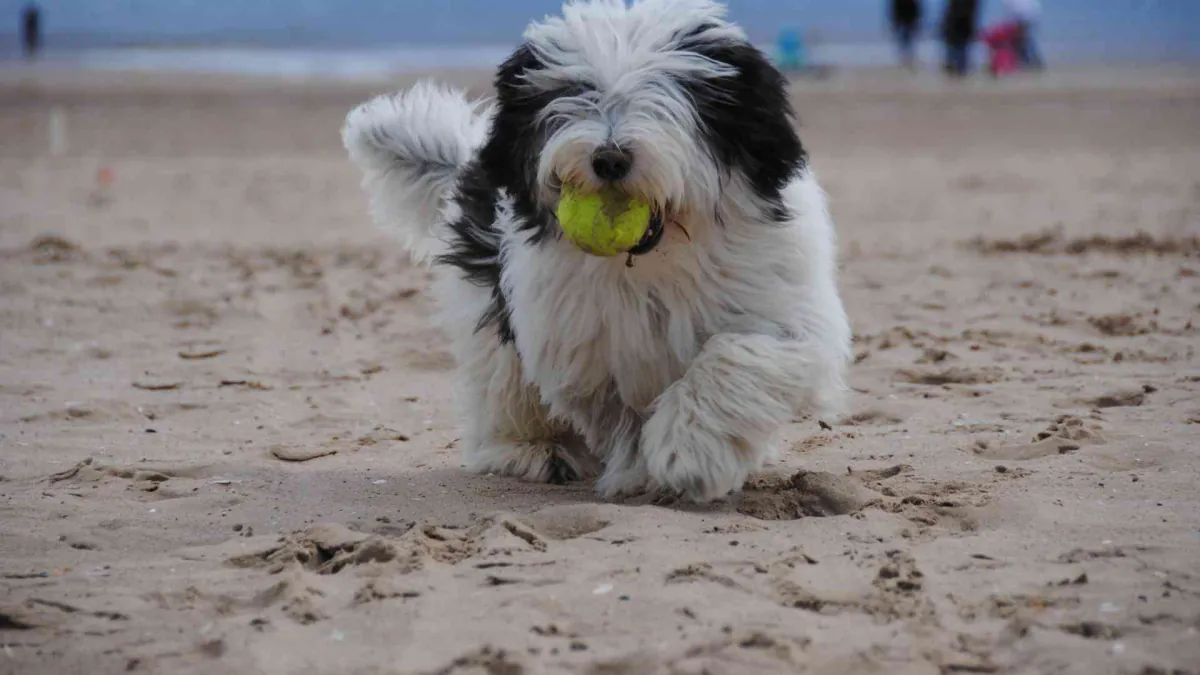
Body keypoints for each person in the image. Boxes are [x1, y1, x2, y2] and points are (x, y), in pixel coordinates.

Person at [940, 0, 979, 77]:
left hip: (960, 29)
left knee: (958, 58)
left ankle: (957, 73)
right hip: (958, 30)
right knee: (956, 58)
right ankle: (956, 73)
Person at [1004, 0, 1044, 69]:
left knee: (1026, 42)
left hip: (1024, 17)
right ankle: (1031, 62)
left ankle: (1032, 62)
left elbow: (1015, 9)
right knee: (1027, 41)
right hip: (1030, 16)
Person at [889, 0, 922, 70]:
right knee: (905, 40)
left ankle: (907, 57)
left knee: (907, 39)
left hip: (907, 19)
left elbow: (916, 9)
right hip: (905, 19)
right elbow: (895, 10)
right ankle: (905, 57)